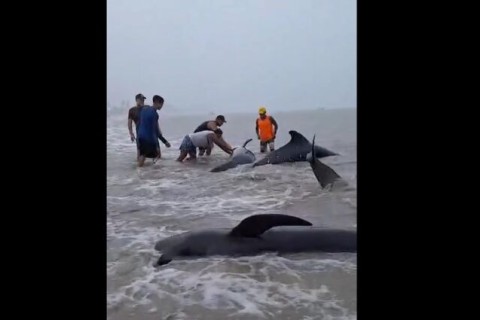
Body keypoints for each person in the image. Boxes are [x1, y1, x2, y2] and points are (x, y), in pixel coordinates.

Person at [136, 95, 171, 167]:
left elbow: (139, 123)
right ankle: (151, 172)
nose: (162, 106)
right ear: (157, 103)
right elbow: (155, 130)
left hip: (140, 136)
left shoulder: (144, 109)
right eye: (161, 104)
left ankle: (139, 171)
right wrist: (165, 141)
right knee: (157, 155)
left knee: (143, 155)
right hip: (148, 138)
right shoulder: (155, 114)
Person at [127, 93, 146, 159]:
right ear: (137, 100)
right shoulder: (132, 110)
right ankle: (139, 169)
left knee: (156, 155)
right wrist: (131, 134)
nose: (142, 101)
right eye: (141, 99)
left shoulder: (147, 108)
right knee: (139, 155)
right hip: (140, 135)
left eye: (143, 99)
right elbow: (129, 123)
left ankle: (154, 169)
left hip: (150, 135)